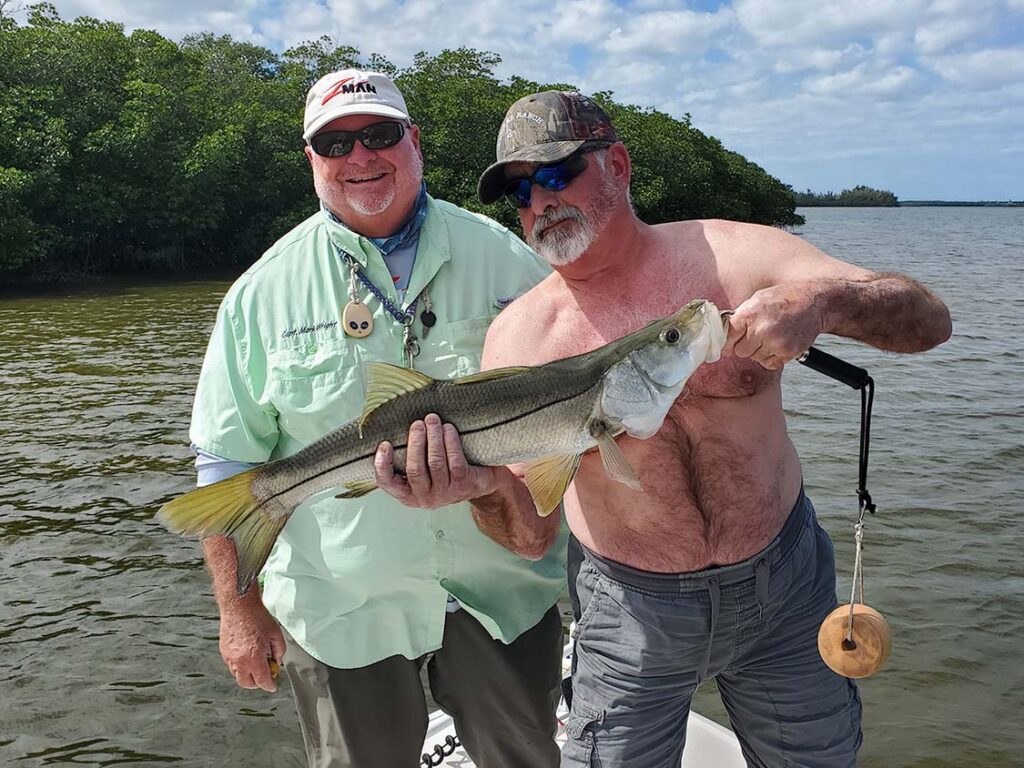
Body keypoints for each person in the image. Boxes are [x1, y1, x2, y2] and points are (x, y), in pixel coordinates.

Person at [472, 91, 953, 768]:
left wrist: (821, 302)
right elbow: (528, 538)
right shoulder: (517, 339)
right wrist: (476, 485)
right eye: (519, 193)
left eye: (554, 175)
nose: (538, 203)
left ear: (617, 163)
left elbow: (929, 323)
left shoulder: (735, 256)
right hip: (628, 612)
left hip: (785, 590)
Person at [188, 70, 567, 768]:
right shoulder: (258, 294)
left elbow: (570, 412)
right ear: (311, 160)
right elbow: (228, 463)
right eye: (335, 143)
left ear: (414, 141)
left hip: (501, 590)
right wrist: (239, 611)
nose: (360, 157)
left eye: (379, 134)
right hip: (340, 609)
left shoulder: (510, 259)